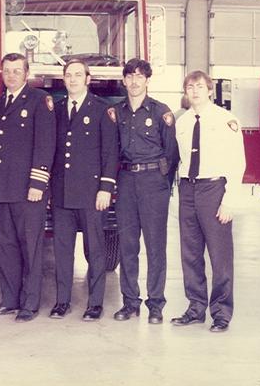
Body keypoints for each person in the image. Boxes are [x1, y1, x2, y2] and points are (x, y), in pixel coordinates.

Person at [0, 53, 56, 322]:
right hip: (4, 188)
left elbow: (45, 144)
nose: (11, 75)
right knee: (6, 247)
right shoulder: (1, 102)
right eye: (7, 71)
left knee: (31, 247)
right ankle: (10, 300)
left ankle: (30, 304)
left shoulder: (39, 101)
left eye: (17, 70)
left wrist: (38, 183)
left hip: (29, 189)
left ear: (27, 73)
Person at [172, 70, 245, 333]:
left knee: (219, 255)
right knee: (190, 253)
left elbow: (238, 163)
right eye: (190, 87)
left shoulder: (226, 121)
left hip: (214, 190)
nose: (194, 91)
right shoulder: (181, 123)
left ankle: (222, 312)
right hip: (188, 190)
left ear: (210, 90)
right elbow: (178, 160)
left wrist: (229, 201)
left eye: (200, 86)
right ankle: (195, 308)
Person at [49, 59, 118, 321]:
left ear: (88, 79)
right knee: (62, 250)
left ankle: (95, 303)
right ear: (63, 79)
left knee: (95, 250)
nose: (73, 79)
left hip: (91, 193)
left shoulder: (102, 109)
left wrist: (105, 189)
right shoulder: (55, 109)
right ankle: (62, 301)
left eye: (79, 75)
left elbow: (110, 152)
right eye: (69, 75)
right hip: (61, 192)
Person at [112, 58, 179, 324]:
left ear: (147, 80)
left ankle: (156, 304)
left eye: (140, 76)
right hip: (126, 180)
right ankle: (130, 302)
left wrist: (163, 184)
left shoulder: (161, 112)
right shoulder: (116, 113)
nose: (134, 81)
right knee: (127, 245)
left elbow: (172, 154)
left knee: (155, 246)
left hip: (154, 182)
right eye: (130, 76)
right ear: (124, 80)